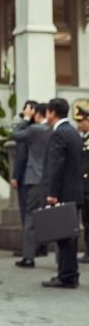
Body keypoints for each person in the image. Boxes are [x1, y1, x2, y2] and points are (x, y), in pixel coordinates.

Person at [41, 98, 83, 288]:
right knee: (70, 236)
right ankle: (70, 273)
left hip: (63, 192)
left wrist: (52, 192)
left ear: (51, 112)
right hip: (75, 191)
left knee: (64, 236)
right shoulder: (74, 132)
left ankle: (66, 276)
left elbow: (56, 166)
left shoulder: (59, 134)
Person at [11, 103, 52, 268]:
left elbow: (15, 134)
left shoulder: (35, 129)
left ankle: (28, 257)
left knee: (30, 218)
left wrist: (26, 118)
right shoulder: (54, 130)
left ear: (37, 114)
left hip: (35, 179)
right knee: (51, 217)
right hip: (51, 180)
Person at [77, 107, 89, 263]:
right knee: (86, 221)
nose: (80, 124)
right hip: (84, 187)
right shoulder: (82, 139)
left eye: (83, 121)